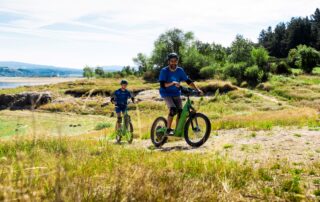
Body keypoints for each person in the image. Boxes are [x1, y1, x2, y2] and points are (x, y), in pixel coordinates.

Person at [159, 52, 203, 136]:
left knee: (180, 112)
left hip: (176, 93)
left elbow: (188, 81)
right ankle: (168, 129)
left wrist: (197, 89)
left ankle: (177, 130)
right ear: (168, 62)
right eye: (172, 61)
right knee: (173, 109)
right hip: (166, 93)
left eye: (175, 61)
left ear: (177, 62)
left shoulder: (180, 70)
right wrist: (172, 83)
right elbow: (162, 85)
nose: (174, 63)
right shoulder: (164, 71)